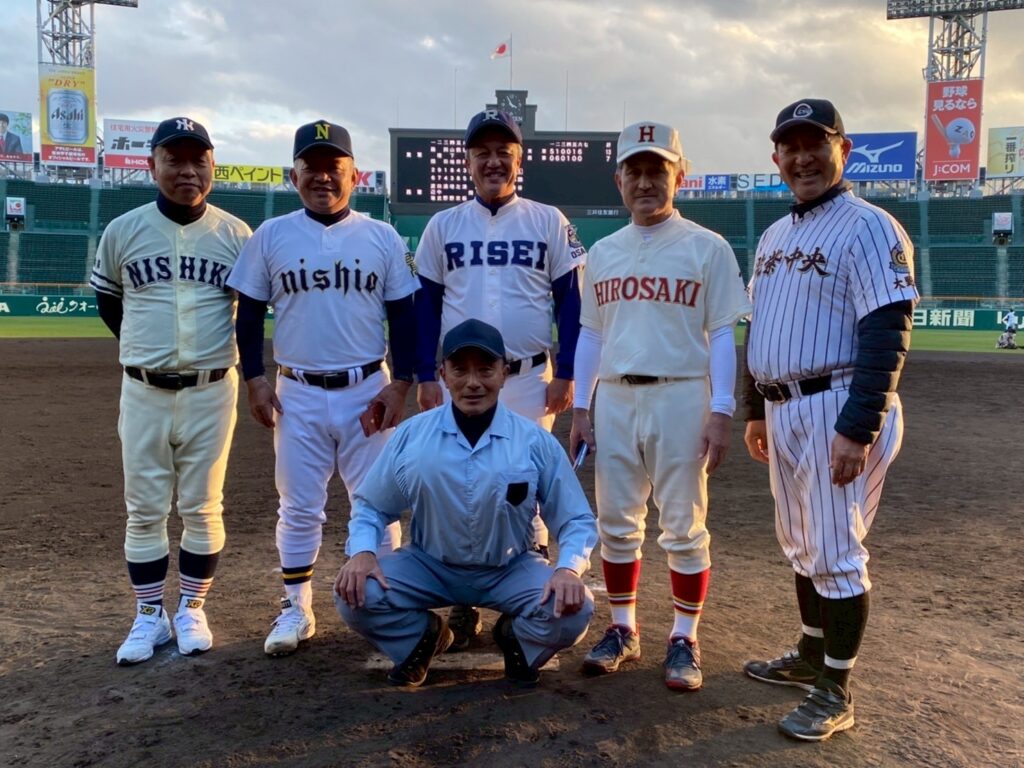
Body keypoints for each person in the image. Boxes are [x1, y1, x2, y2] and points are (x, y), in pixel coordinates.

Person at [740, 99, 919, 741]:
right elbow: (760, 326)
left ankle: (836, 689)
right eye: (790, 147)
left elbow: (887, 331)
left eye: (814, 143)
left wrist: (857, 426)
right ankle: (811, 656)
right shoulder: (773, 236)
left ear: (843, 149)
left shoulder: (871, 227)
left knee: (836, 552)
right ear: (776, 158)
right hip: (783, 406)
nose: (802, 157)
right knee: (801, 542)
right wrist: (755, 409)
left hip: (836, 405)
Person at [569, 121, 751, 692]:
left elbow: (721, 335)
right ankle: (623, 627)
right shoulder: (602, 252)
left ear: (680, 176)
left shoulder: (706, 246)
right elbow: (591, 334)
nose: (646, 182)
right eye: (636, 171)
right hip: (615, 396)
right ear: (619, 180)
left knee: (683, 524)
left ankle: (683, 636)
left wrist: (721, 410)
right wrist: (581, 406)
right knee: (616, 522)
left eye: (658, 170)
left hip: (681, 393)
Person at [227, 120, 418, 657]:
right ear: (294, 177)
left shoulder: (381, 237)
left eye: (333, 167)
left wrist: (401, 384)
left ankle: (385, 605)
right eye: (310, 168)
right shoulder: (271, 235)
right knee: (298, 505)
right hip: (298, 392)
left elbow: (405, 318)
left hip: (367, 387)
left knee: (378, 502)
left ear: (355, 175)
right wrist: (255, 378)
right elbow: (249, 315)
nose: (322, 178)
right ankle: (296, 607)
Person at [335, 319, 597, 688]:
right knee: (354, 594)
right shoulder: (413, 436)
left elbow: (576, 520)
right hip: (429, 566)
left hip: (509, 568)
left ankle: (517, 637)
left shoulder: (534, 441)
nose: (473, 382)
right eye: (460, 370)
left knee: (576, 610)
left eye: (485, 369)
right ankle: (422, 637)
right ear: (443, 374)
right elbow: (371, 505)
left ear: (504, 374)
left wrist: (568, 568)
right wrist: (362, 552)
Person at [413, 109, 586, 648]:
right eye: (482, 153)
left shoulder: (548, 220)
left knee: (524, 483)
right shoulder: (443, 225)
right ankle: (464, 599)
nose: (493, 162)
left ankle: (527, 589)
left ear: (519, 159)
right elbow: (426, 307)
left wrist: (568, 373)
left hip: (530, 378)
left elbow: (572, 303)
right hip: (462, 379)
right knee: (462, 481)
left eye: (503, 153)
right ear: (468, 161)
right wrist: (424, 374)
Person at [90, 117, 252, 665]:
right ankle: (148, 615)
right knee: (144, 510)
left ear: (212, 166)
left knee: (204, 507)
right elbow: (110, 303)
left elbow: (252, 311)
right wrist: (148, 350)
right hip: (143, 389)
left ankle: (191, 608)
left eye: (197, 160)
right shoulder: (122, 231)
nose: (187, 170)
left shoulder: (236, 235)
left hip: (213, 388)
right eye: (174, 159)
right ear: (152, 165)